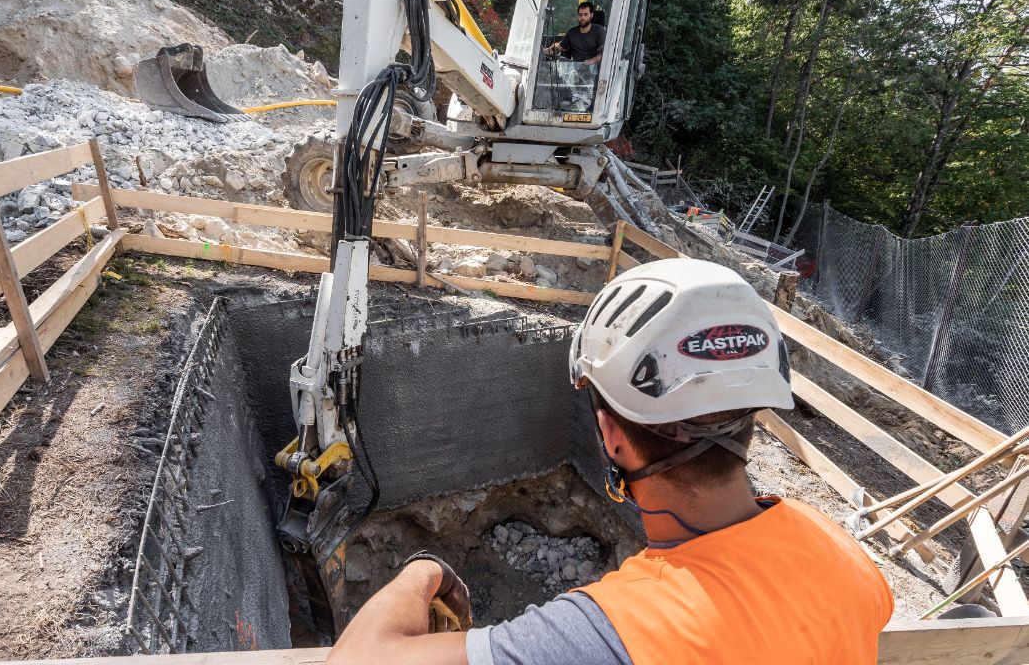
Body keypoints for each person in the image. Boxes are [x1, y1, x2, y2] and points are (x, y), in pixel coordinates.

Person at [327, 259, 894, 665]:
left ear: (611, 434)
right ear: (751, 413)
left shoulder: (615, 633)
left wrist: (422, 570)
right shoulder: (839, 551)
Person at [544, 1, 606, 66]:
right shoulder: (572, 32)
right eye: (580, 15)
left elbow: (605, 53)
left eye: (585, 14)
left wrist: (591, 61)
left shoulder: (599, 30)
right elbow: (558, 48)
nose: (583, 18)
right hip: (576, 70)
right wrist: (544, 51)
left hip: (596, 71)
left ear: (591, 15)